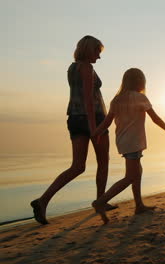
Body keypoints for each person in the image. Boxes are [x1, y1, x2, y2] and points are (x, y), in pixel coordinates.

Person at [31, 35, 116, 225]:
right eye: (97, 52)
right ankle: (100, 202)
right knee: (103, 162)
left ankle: (43, 201)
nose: (99, 57)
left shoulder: (72, 67)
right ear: (88, 49)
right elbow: (88, 99)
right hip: (92, 119)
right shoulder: (86, 67)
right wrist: (95, 128)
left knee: (77, 166)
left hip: (75, 119)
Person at [92, 68, 165, 224]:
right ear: (140, 82)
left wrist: (96, 132)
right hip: (133, 142)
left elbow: (107, 122)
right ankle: (101, 201)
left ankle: (139, 205)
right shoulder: (140, 97)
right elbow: (155, 118)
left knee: (137, 171)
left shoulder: (116, 100)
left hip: (123, 141)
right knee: (130, 176)